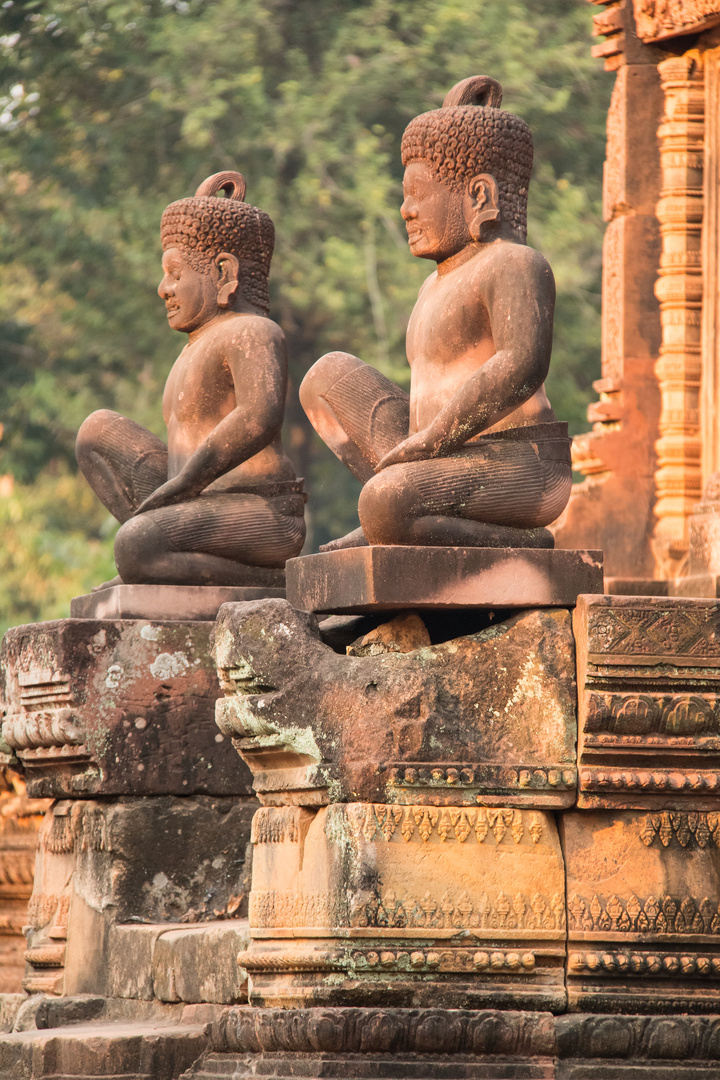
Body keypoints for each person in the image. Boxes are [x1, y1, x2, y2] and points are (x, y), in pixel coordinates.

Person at [300, 77, 571, 550]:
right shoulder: (432, 284)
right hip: (442, 457)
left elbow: (522, 365)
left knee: (385, 502)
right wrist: (425, 445)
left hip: (519, 464)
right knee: (324, 379)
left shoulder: (513, 262)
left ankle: (513, 539)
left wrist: (435, 440)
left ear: (479, 197)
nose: (405, 210)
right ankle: (396, 513)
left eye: (417, 194)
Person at [76, 172, 305, 585]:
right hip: (196, 499)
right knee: (96, 432)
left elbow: (259, 417)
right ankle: (153, 558)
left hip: (260, 511)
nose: (163, 288)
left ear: (222, 272)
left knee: (135, 545)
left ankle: (263, 577)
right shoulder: (191, 349)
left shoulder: (252, 331)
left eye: (175, 273)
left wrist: (189, 479)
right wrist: (182, 486)